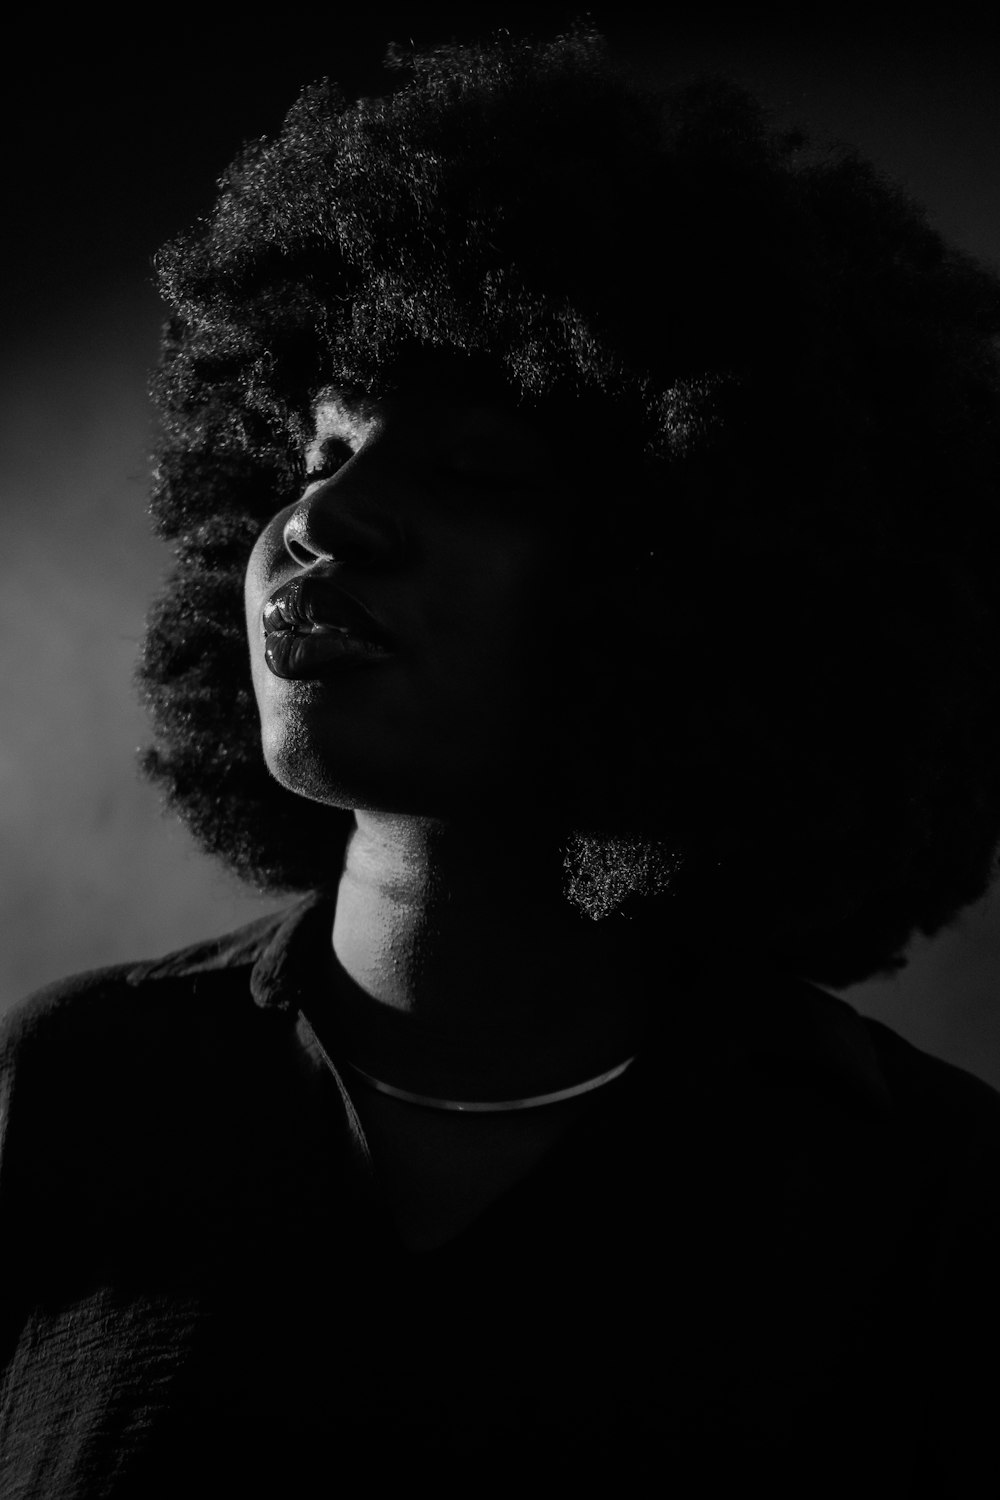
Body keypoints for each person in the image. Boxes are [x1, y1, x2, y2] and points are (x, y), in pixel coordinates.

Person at [3, 22, 1000, 1495]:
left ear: (699, 577)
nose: (327, 527)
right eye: (321, 453)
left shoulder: (928, 1207)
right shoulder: (75, 1088)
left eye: (475, 472)